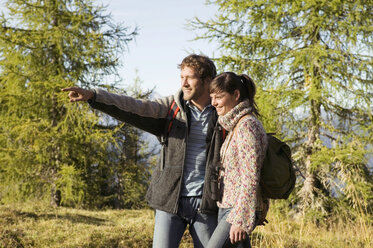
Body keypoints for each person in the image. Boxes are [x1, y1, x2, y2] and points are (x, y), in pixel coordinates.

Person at [62, 54, 224, 248]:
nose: (184, 83)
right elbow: (134, 107)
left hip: (207, 203)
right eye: (181, 77)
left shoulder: (223, 113)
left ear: (207, 81)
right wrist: (94, 96)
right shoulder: (171, 108)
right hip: (169, 201)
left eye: (190, 77)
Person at [207, 72, 268, 248]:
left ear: (236, 95)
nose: (214, 103)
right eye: (212, 97)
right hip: (228, 206)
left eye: (219, 97)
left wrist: (241, 218)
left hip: (236, 209)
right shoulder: (237, 125)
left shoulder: (247, 126)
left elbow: (251, 177)